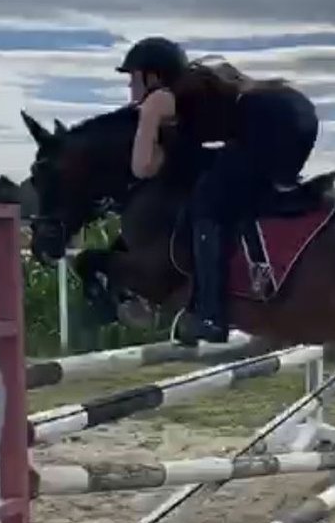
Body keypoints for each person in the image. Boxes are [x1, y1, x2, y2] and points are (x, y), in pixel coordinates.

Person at [116, 36, 320, 344]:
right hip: (297, 114)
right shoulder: (193, 92)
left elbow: (142, 167)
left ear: (153, 76)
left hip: (272, 122)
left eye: (133, 78)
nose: (131, 88)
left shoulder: (162, 99)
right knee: (229, 189)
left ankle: (211, 314)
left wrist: (146, 117)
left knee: (207, 204)